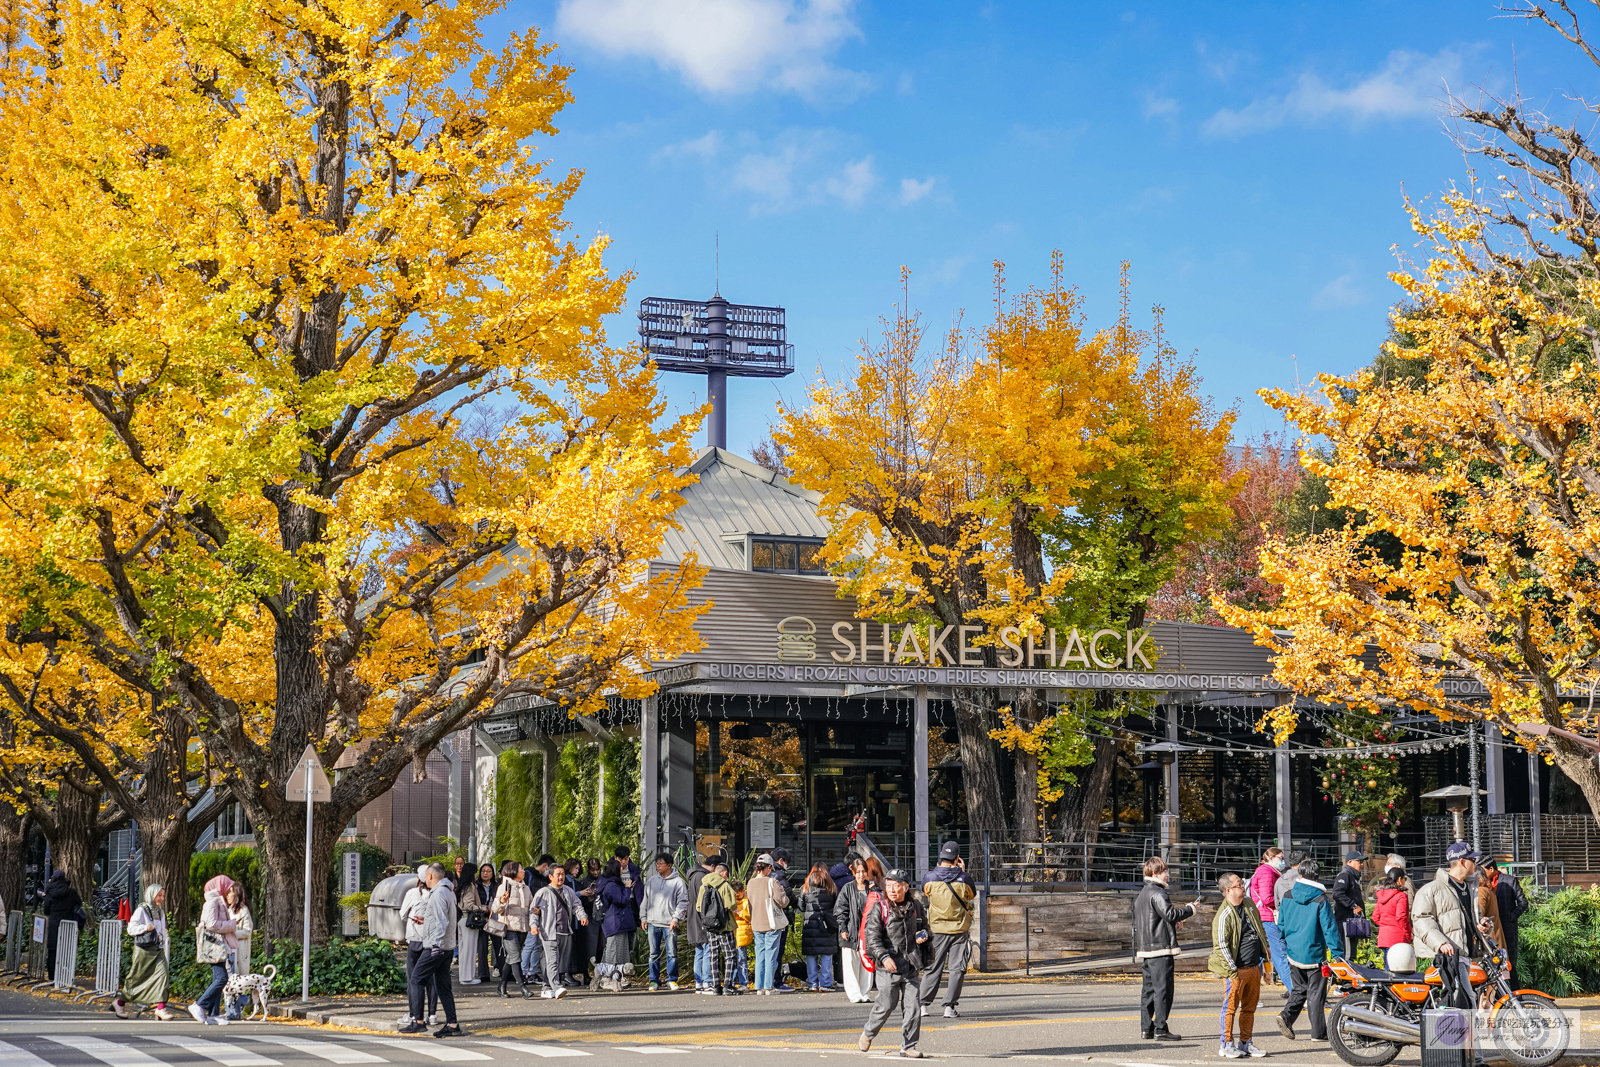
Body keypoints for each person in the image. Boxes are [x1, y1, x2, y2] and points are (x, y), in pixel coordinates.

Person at [858, 867, 930, 1059]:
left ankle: (908, 1046)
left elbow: (925, 928)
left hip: (910, 963)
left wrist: (923, 936)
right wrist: (883, 957)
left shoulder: (916, 906)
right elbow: (871, 937)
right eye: (888, 885)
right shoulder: (880, 907)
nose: (891, 889)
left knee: (913, 1007)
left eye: (896, 886)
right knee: (886, 1004)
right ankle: (869, 1032)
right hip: (887, 965)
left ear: (905, 888)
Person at [1413, 842, 1496, 1004]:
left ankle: (1457, 1028)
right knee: (1466, 999)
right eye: (1472, 860)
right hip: (1450, 956)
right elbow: (1420, 918)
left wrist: (1483, 927)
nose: (1475, 864)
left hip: (1465, 954)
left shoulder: (1469, 887)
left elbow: (1473, 919)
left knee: (1461, 999)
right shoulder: (1432, 889)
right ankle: (1460, 1029)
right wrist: (1441, 942)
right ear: (1462, 862)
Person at [1275, 858, 1343, 1042]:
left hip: (1293, 951)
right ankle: (1318, 1032)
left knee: (1299, 989)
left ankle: (1286, 1017)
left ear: (1301, 874)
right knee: (1316, 994)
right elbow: (1329, 929)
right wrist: (1338, 953)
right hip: (1314, 953)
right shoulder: (1321, 899)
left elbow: (1281, 923)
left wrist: (1283, 941)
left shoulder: (1288, 895)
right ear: (1318, 876)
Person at [1133, 856, 1195, 1042]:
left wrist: (1172, 924)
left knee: (1148, 991)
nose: (1167, 875)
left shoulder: (1143, 894)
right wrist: (1190, 909)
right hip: (1161, 949)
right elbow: (1169, 913)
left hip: (1147, 949)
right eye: (1164, 871)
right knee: (1163, 990)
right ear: (1155, 874)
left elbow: (1156, 919)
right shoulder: (1158, 893)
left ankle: (1146, 1028)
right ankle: (1161, 1028)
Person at [1210, 873, 1269, 1059]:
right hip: (1236, 969)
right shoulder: (1224, 915)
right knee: (1230, 1008)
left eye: (1242, 883)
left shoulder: (1249, 904)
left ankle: (1245, 1042)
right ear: (1228, 890)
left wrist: (1266, 966)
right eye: (1238, 884)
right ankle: (1226, 1044)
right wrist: (1232, 972)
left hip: (1254, 967)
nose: (1243, 886)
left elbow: (1261, 933)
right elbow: (1220, 945)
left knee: (1249, 1008)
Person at [400, 863, 460, 1037]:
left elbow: (442, 921)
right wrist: (425, 920)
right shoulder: (448, 891)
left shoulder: (439, 893)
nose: (425, 879)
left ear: (431, 876)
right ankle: (452, 1023)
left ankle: (418, 1021)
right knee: (443, 986)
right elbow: (443, 919)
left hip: (436, 946)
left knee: (416, 979)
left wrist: (435, 944)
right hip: (446, 946)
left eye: (426, 876)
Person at [918, 841, 975, 1019]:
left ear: (941, 857)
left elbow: (925, 893)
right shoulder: (964, 879)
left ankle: (922, 1005)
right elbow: (971, 895)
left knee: (933, 966)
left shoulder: (929, 878)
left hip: (936, 929)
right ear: (957, 858)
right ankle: (949, 1007)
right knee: (957, 968)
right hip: (959, 929)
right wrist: (963, 871)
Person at [115, 883, 175, 1020]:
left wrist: (163, 938)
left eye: (163, 896)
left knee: (163, 974)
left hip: (157, 949)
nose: (161, 899)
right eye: (159, 895)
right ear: (151, 895)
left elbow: (162, 930)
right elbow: (130, 929)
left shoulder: (160, 912)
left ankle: (161, 1008)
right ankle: (120, 1003)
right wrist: (145, 927)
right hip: (143, 950)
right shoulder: (142, 910)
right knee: (136, 978)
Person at [532, 861, 589, 1000]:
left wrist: (582, 916)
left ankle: (546, 988)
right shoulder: (543, 893)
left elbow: (577, 905)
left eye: (562, 874)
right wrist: (534, 925)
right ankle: (557, 987)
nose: (561, 877)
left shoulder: (568, 891)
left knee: (556, 962)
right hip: (549, 932)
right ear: (550, 876)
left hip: (565, 931)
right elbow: (533, 912)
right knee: (552, 960)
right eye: (558, 874)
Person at [191, 874, 238, 1025]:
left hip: (217, 946)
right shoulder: (213, 902)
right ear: (220, 886)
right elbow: (211, 924)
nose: (230, 890)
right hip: (214, 947)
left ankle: (213, 1014)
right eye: (228, 886)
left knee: (219, 978)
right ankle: (200, 1005)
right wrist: (231, 924)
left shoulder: (217, 901)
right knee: (222, 978)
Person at [397, 865, 438, 1028]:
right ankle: (432, 1014)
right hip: (431, 940)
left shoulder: (412, 893)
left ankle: (414, 1014)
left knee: (413, 979)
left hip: (414, 940)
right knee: (430, 979)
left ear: (418, 878)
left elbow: (402, 914)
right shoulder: (436, 894)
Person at [1248, 848, 1293, 993]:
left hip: (1265, 916)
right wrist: (1287, 900)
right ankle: (1296, 993)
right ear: (1271, 857)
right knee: (1280, 953)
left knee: (1263, 955)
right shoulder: (1267, 873)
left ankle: (1248, 993)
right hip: (1268, 916)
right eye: (1280, 858)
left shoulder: (1267, 871)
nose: (1282, 860)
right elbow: (1267, 899)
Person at [643, 851, 688, 991]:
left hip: (669, 923)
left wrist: (675, 918)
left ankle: (672, 980)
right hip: (652, 922)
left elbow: (683, 902)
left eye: (661, 864)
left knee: (672, 953)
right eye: (657, 863)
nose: (658, 866)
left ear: (669, 865)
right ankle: (653, 980)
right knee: (653, 954)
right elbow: (645, 900)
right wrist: (643, 918)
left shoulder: (678, 882)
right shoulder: (651, 881)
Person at [695, 854, 739, 996]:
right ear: (724, 873)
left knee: (713, 955)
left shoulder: (704, 885)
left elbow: (698, 907)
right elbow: (731, 905)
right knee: (730, 955)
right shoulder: (725, 885)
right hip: (724, 925)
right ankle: (728, 985)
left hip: (710, 926)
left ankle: (715, 986)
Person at [834, 854, 875, 1004]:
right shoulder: (847, 888)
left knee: (867, 962)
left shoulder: (872, 888)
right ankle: (854, 993)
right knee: (851, 963)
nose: (861, 874)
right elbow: (840, 910)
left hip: (868, 932)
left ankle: (865, 992)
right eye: (858, 872)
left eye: (863, 871)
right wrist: (843, 928)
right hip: (851, 931)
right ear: (853, 872)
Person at [490, 860, 534, 998]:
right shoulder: (504, 887)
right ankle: (523, 987)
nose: (523, 871)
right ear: (513, 872)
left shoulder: (526, 888)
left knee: (511, 958)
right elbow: (495, 908)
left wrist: (536, 911)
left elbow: (531, 906)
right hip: (508, 927)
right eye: (521, 869)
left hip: (522, 927)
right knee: (516, 957)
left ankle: (501, 986)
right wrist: (502, 901)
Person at [596, 858, 641, 991]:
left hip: (620, 922)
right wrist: (627, 889)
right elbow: (621, 901)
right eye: (620, 868)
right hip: (615, 922)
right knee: (613, 952)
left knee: (621, 952)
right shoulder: (611, 885)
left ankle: (618, 978)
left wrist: (626, 889)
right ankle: (607, 978)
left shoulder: (612, 883)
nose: (623, 870)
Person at [1483, 858, 1528, 984]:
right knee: (1491, 963)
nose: (1480, 873)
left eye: (1483, 870)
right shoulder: (1481, 883)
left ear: (1491, 869)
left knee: (1510, 963)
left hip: (1508, 927)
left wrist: (1511, 917)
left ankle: (1515, 994)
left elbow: (1523, 902)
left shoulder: (1509, 880)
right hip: (1490, 930)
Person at [746, 853, 786, 995]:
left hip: (756, 922)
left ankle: (759, 986)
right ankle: (769, 986)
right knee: (771, 955)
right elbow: (782, 901)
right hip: (771, 923)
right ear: (768, 867)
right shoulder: (772, 882)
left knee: (760, 955)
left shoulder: (750, 882)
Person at [800, 864, 838, 992]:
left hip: (810, 925)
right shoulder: (831, 888)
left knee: (811, 956)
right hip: (826, 925)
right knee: (826, 955)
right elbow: (836, 906)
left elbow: (801, 907)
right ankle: (825, 983)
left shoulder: (805, 888)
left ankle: (812, 983)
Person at [41, 869, 82, 979]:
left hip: (54, 924)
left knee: (53, 951)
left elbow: (46, 911)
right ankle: (66, 976)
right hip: (69, 923)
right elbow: (79, 903)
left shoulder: (50, 893)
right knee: (67, 950)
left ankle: (52, 976)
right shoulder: (71, 892)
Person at [770, 847, 799, 991]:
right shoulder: (779, 875)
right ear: (781, 861)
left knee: (768, 951)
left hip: (767, 917)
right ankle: (776, 981)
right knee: (778, 951)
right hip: (780, 917)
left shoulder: (767, 873)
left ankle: (767, 981)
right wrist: (796, 902)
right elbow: (787, 896)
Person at [459, 863, 494, 985]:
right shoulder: (470, 886)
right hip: (469, 920)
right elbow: (468, 905)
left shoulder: (462, 885)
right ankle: (468, 978)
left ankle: (464, 976)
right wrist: (481, 908)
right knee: (470, 949)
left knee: (464, 950)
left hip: (462, 920)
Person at [1373, 867, 1414, 972]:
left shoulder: (1381, 894)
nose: (1405, 881)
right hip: (1397, 938)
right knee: (1397, 970)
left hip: (1383, 937)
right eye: (1404, 878)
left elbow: (1375, 916)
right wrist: (1407, 932)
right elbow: (1401, 917)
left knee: (1387, 966)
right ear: (1399, 879)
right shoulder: (1401, 896)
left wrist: (1385, 925)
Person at [686, 851, 716, 993]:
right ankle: (706, 982)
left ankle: (699, 983)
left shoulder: (693, 874)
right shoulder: (702, 877)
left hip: (693, 916)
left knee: (699, 950)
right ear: (712, 866)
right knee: (707, 949)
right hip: (702, 916)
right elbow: (704, 899)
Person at [1330, 850, 1367, 963]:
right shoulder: (1345, 875)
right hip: (1345, 921)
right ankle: (1345, 979)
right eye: (1359, 861)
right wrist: (1353, 906)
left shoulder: (1353, 876)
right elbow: (1337, 894)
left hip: (1352, 921)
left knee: (1351, 954)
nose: (1361, 864)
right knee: (1346, 956)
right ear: (1350, 862)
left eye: (1362, 862)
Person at [224, 883, 255, 1020]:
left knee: (237, 983)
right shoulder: (228, 910)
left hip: (239, 951)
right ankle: (230, 1011)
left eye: (230, 893)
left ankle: (239, 1007)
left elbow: (248, 931)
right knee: (229, 982)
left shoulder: (243, 910)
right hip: (229, 951)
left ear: (236, 894)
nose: (227, 895)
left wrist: (232, 931)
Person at [731, 880, 752, 991]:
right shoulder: (731, 900)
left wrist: (740, 913)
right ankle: (733, 982)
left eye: (738, 894)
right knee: (733, 959)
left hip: (742, 933)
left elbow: (750, 917)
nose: (736, 896)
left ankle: (744, 983)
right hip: (733, 932)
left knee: (741, 959)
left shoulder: (747, 901)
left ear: (742, 891)